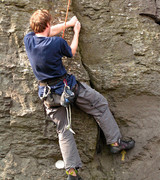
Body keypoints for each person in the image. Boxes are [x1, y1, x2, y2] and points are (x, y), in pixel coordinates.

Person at [24, 9, 135, 180]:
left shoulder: (28, 40)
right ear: (48, 24)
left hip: (48, 95)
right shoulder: (56, 43)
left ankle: (72, 173)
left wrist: (67, 24)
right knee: (100, 104)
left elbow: (45, 32)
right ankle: (115, 142)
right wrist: (75, 32)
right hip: (68, 89)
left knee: (63, 131)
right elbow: (71, 52)